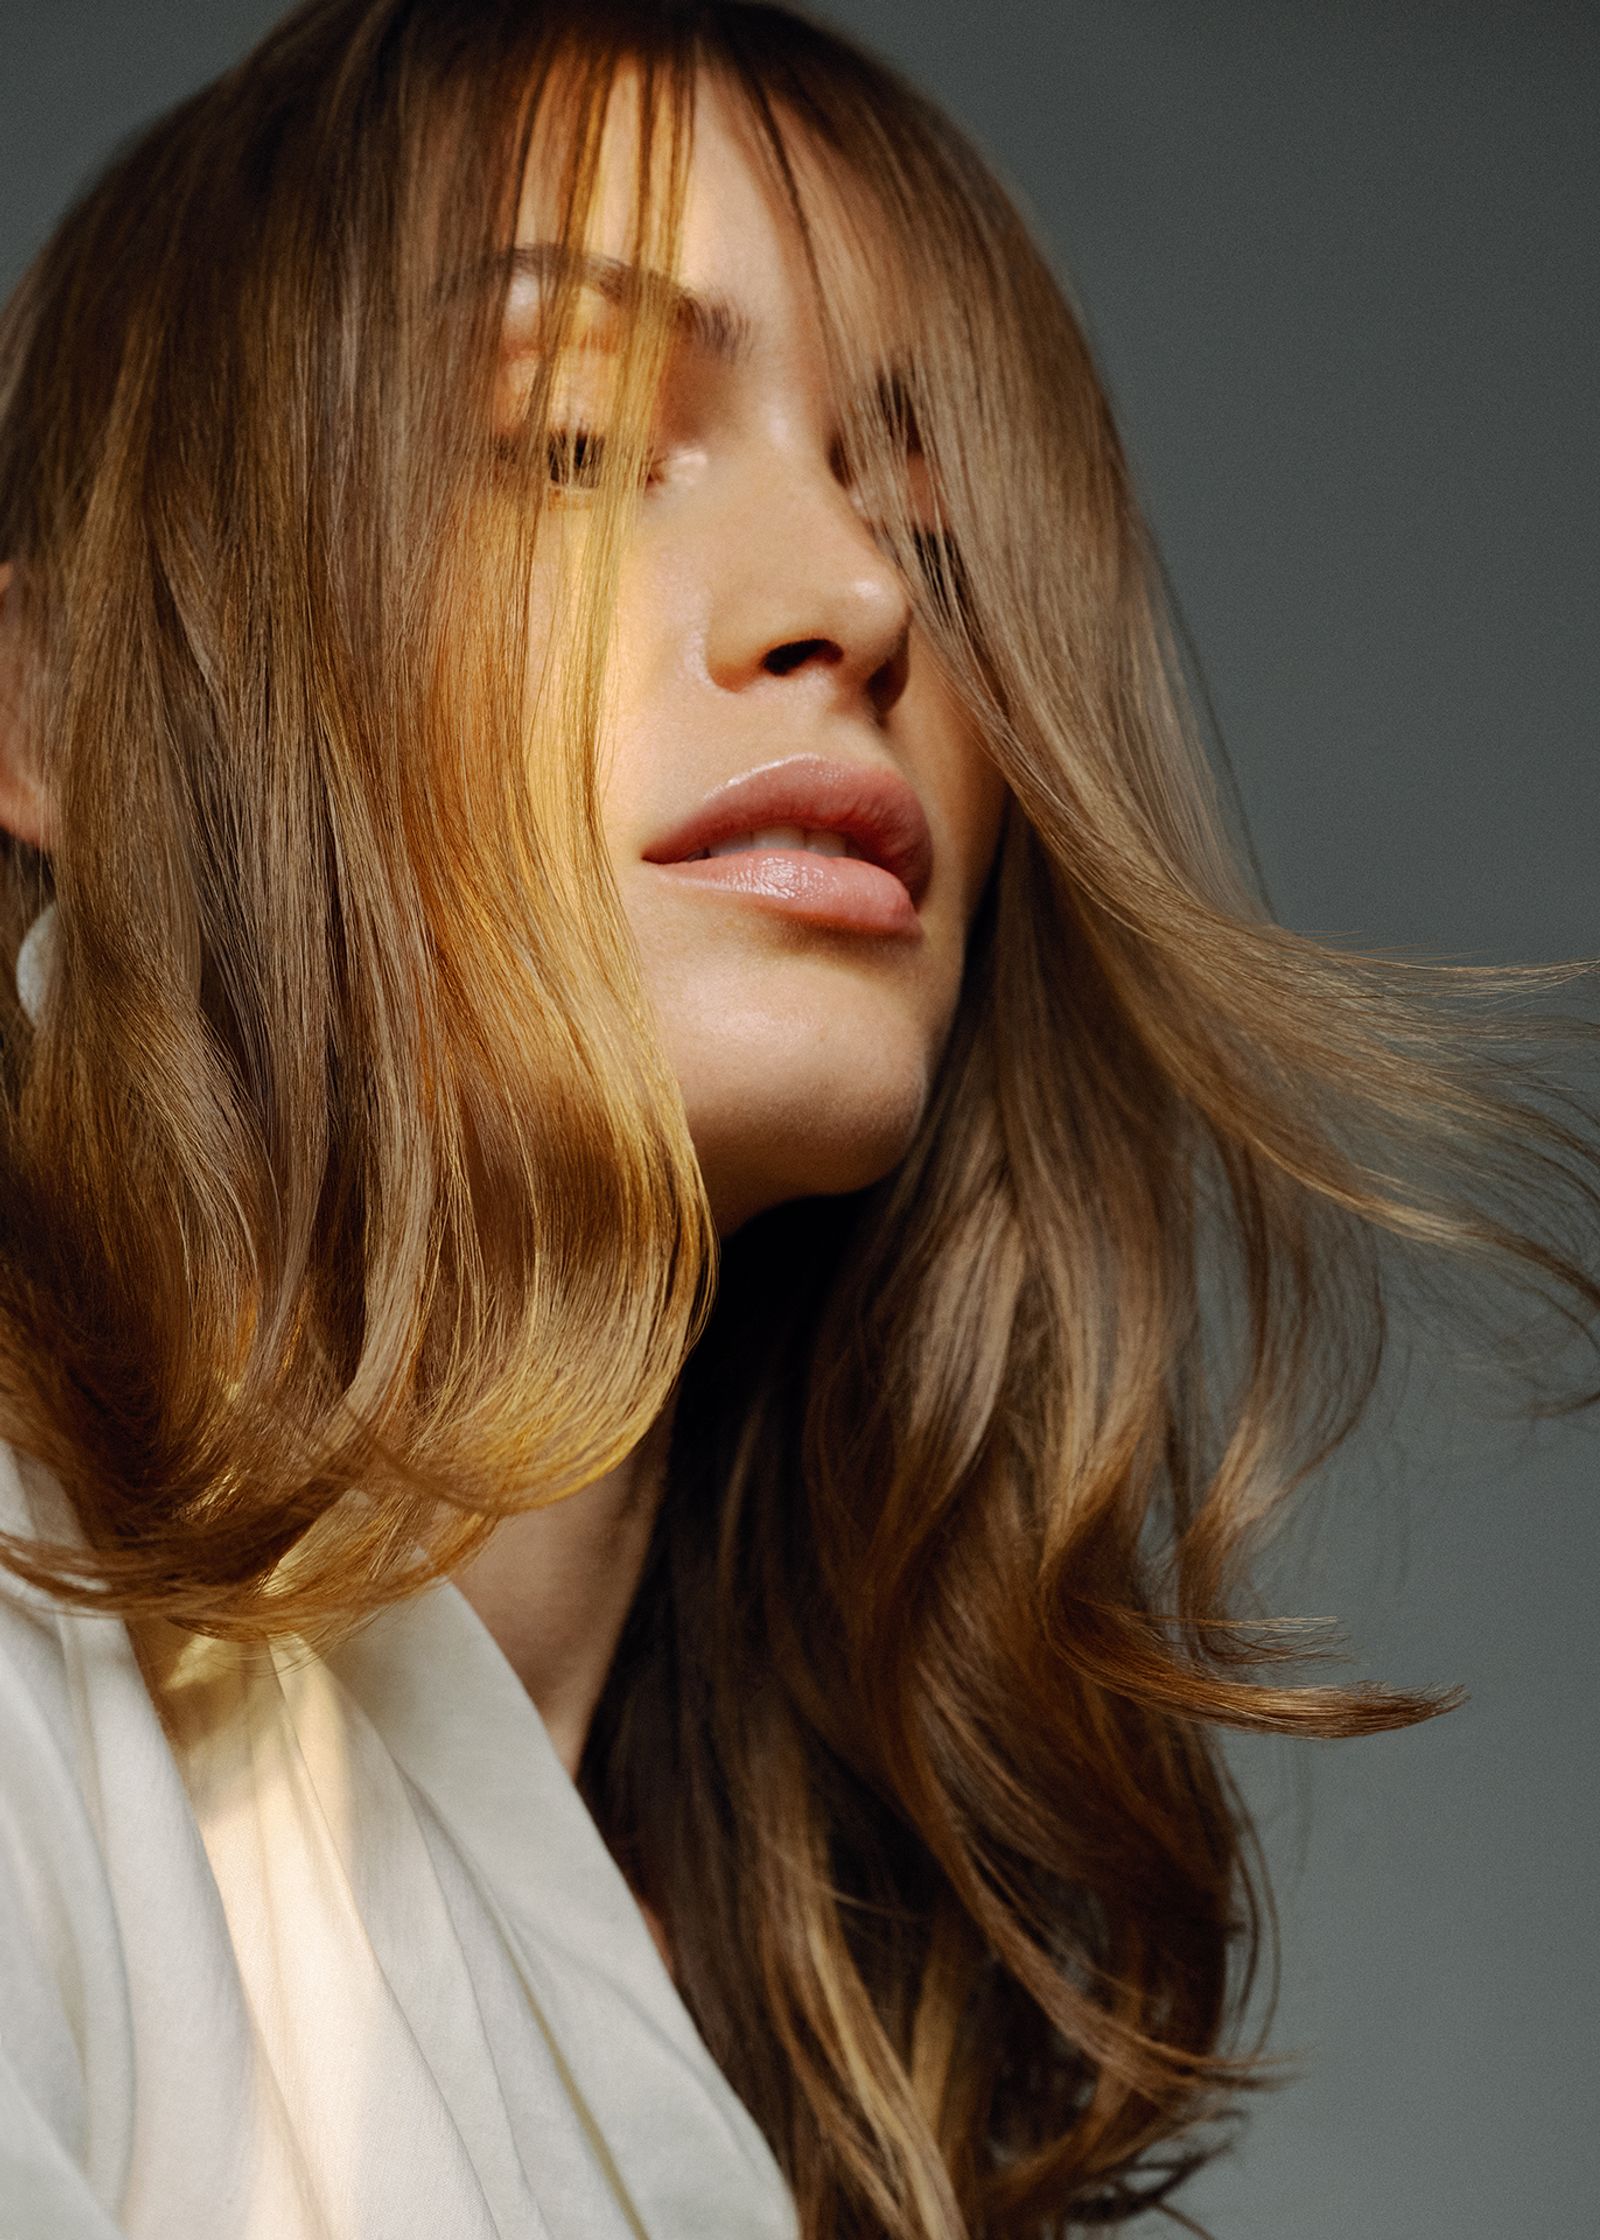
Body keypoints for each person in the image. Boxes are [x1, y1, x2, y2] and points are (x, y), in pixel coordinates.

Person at [0, 3, 1594, 2235]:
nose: (853, 603)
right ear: (53, 710)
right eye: (563, 442)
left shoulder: (788, 2024)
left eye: (924, 523)